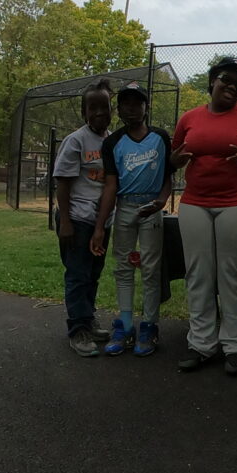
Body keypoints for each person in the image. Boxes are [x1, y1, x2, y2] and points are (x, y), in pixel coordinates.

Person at [171, 56, 237, 376]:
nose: (232, 86)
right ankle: (202, 344)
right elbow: (175, 158)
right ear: (212, 82)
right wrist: (176, 159)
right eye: (225, 79)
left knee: (232, 275)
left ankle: (235, 347)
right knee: (198, 274)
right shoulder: (189, 118)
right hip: (195, 203)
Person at [90, 81, 172, 357]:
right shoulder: (113, 142)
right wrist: (100, 226)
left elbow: (167, 177)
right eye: (126, 103)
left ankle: (149, 325)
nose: (132, 108)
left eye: (137, 103)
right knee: (123, 268)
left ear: (146, 107)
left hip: (151, 206)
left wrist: (161, 201)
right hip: (126, 206)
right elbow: (110, 185)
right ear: (119, 109)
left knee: (150, 268)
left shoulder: (160, 137)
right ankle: (124, 325)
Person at [53, 79, 115, 357]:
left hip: (101, 223)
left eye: (105, 106)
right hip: (76, 221)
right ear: (84, 112)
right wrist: (65, 222)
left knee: (93, 274)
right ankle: (78, 329)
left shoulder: (111, 141)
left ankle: (88, 320)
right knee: (78, 275)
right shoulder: (76, 140)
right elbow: (63, 183)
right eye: (94, 107)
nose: (101, 112)